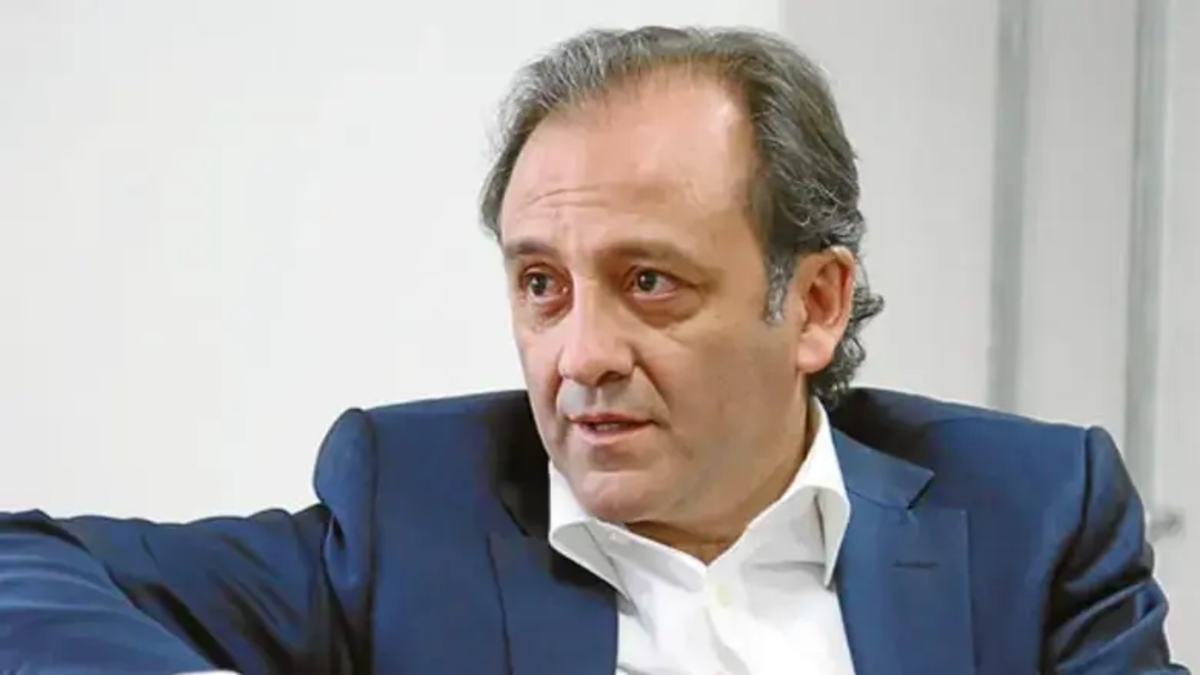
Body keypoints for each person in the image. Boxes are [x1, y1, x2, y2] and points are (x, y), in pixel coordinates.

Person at [0, 25, 1187, 675]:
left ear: (815, 305)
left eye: (648, 282)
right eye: (541, 287)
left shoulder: (1032, 518)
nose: (578, 356)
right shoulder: (414, 512)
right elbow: (24, 567)